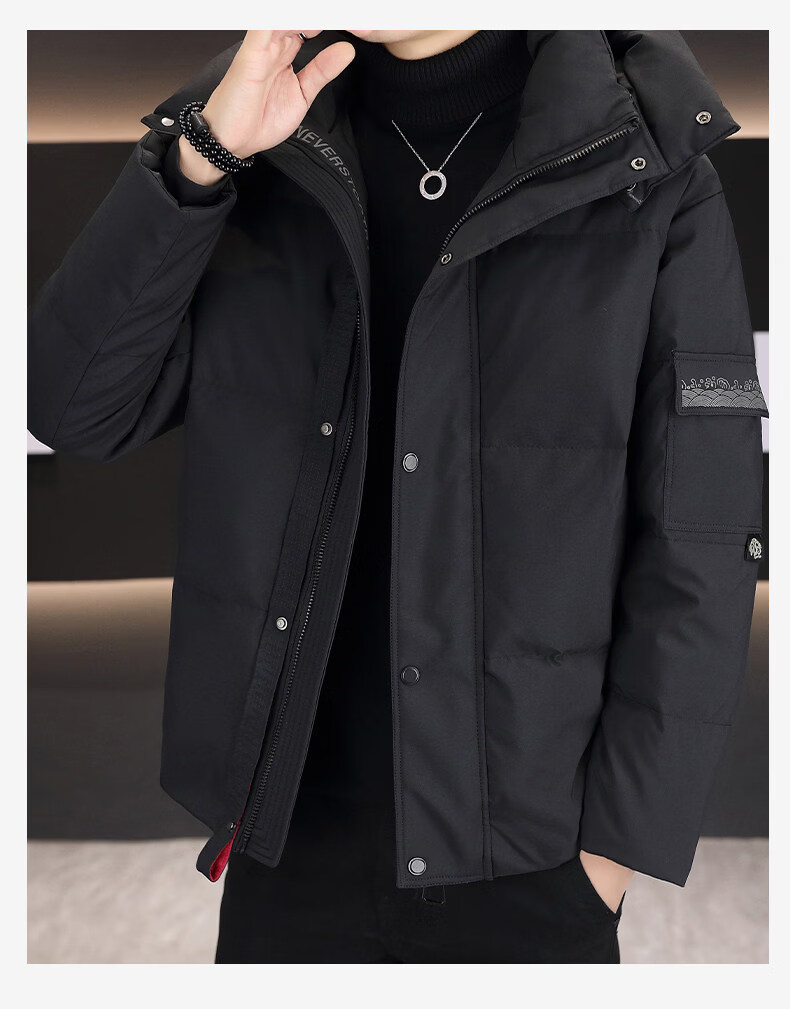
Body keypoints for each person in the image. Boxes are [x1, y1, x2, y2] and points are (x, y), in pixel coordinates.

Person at [28, 30, 766, 964]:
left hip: (530, 855)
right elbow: (75, 408)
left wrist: (613, 854)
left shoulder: (647, 163)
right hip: (288, 835)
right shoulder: (262, 143)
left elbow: (703, 529)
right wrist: (203, 157)